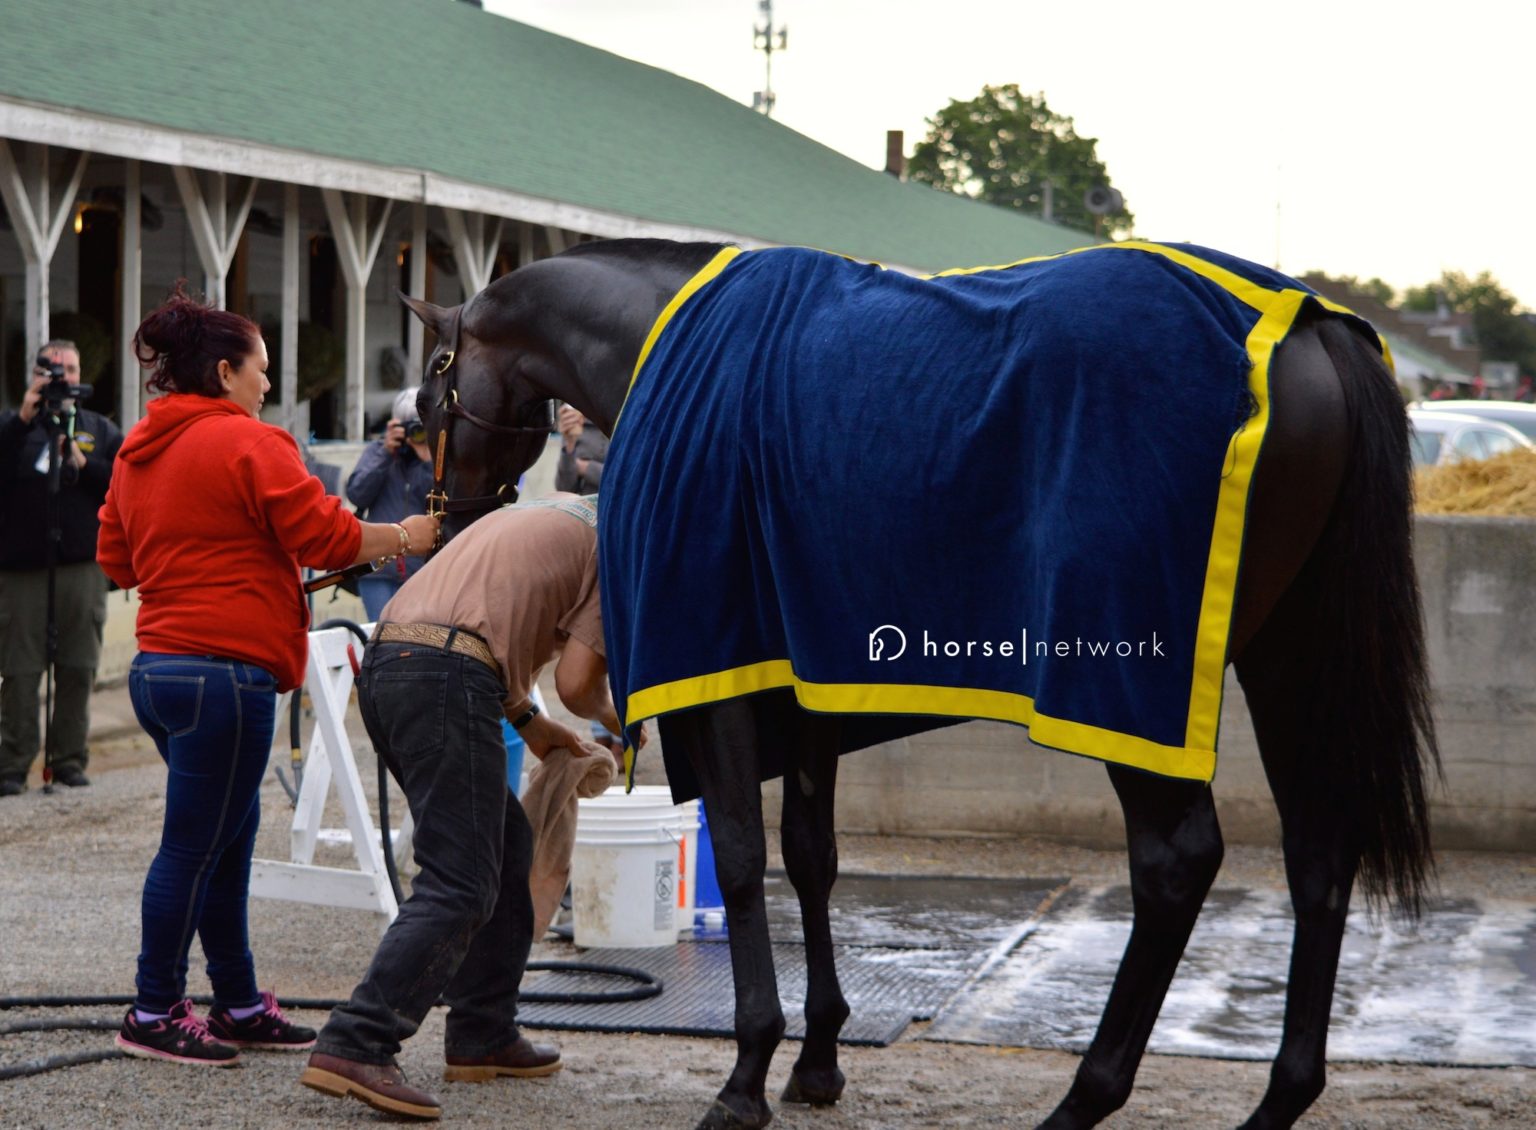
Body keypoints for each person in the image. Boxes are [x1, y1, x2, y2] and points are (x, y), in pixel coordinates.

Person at [96, 284, 440, 1068]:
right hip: (227, 675)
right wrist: (406, 533)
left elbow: (117, 559)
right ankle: (152, 1010)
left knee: (221, 840)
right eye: (261, 368)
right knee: (193, 847)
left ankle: (239, 1002)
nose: (268, 384)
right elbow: (324, 533)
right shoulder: (252, 443)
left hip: (161, 671)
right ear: (224, 373)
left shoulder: (137, 450)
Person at [301, 494, 639, 1121]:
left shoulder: (554, 512)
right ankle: (358, 1039)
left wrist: (532, 725)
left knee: (505, 844)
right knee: (462, 877)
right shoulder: (620, 542)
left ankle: (483, 1031)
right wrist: (622, 717)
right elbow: (575, 682)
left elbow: (487, 625)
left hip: (393, 664)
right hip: (445, 674)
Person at [0, 340, 123, 795]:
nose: (62, 377)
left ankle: (68, 758)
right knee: (19, 670)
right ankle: (11, 763)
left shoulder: (98, 428)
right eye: (52, 369)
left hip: (81, 568)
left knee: (77, 665)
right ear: (34, 375)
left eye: (70, 368)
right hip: (21, 570)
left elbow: (124, 483)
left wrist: (83, 461)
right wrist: (22, 421)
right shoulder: (14, 428)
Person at [346, 386, 435, 621]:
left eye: (421, 427)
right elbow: (357, 494)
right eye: (410, 427)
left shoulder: (433, 459)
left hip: (421, 572)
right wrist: (386, 452)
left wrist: (426, 457)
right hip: (378, 570)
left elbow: (437, 502)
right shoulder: (378, 452)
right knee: (383, 637)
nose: (416, 432)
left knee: (414, 641)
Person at [554, 403, 606, 494]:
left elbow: (626, 479)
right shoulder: (576, 424)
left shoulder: (624, 423)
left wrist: (585, 467)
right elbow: (564, 489)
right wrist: (570, 443)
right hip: (586, 505)